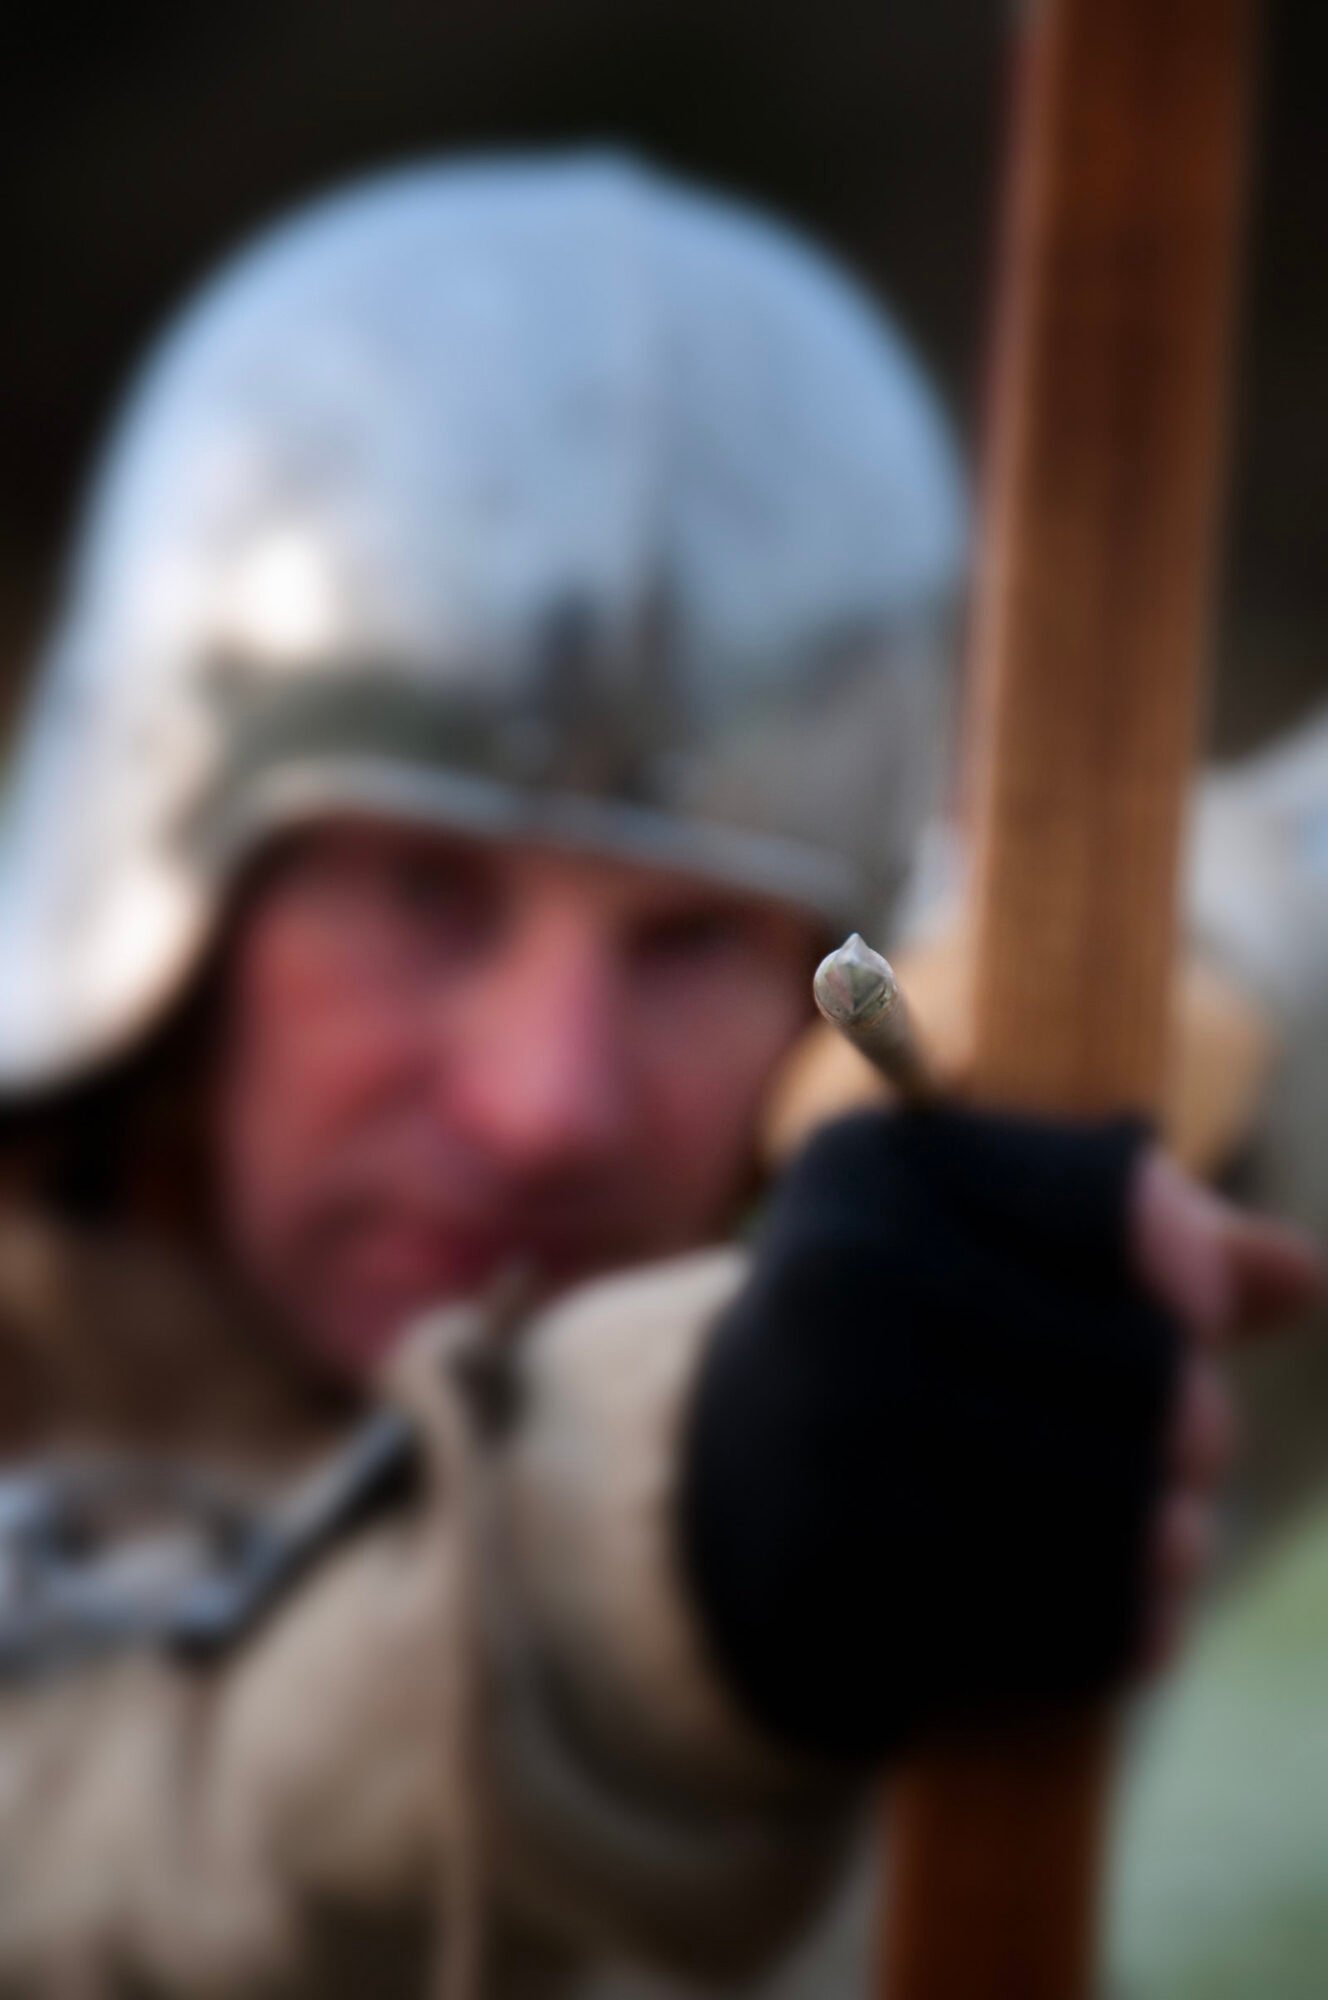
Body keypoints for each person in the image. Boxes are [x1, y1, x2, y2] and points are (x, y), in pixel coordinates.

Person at [0, 154, 1316, 2000]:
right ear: (167, 896)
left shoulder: (975, 1268)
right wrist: (693, 1558)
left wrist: (1127, 1008)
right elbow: (114, 1847)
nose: (548, 1106)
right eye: (422, 894)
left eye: (696, 941)